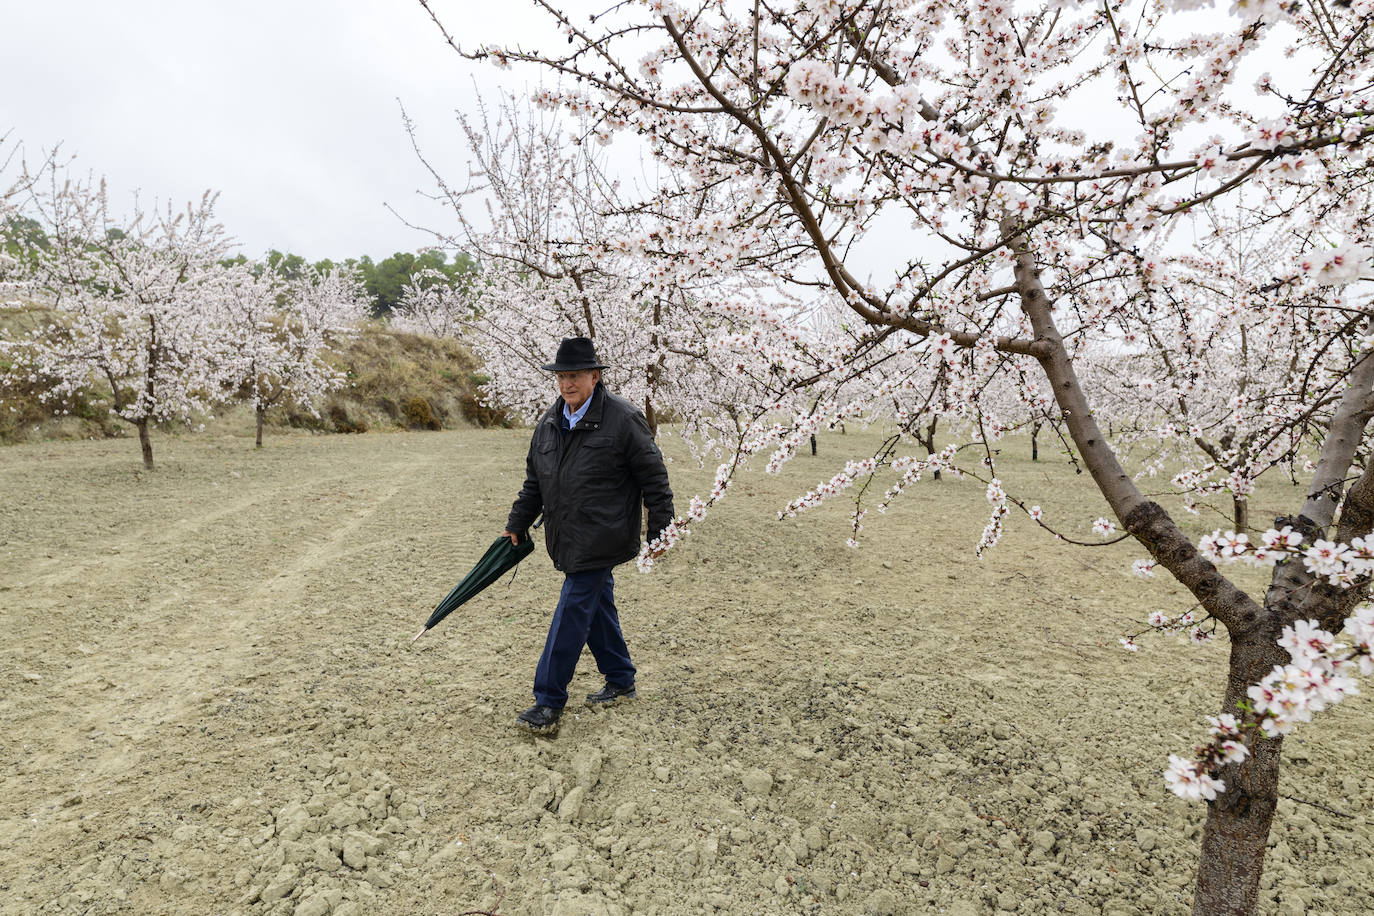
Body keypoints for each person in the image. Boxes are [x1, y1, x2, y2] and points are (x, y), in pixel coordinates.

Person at [503, 337, 675, 735]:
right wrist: (517, 521)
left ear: (594, 377)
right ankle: (620, 679)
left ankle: (547, 701)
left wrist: (661, 528)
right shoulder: (550, 422)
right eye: (562, 376)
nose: (567, 384)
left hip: (604, 534)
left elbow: (654, 477)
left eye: (575, 376)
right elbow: (536, 481)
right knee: (597, 608)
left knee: (572, 611)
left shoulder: (624, 419)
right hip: (566, 534)